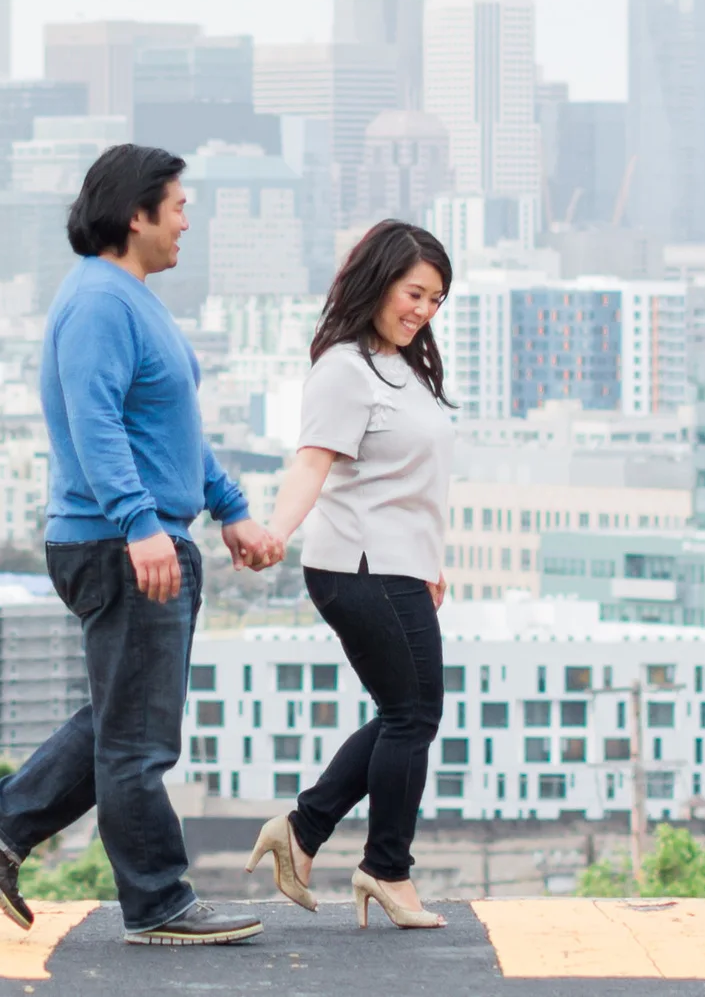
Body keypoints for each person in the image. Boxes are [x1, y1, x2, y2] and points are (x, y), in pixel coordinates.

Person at [0, 144, 284, 948]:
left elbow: (171, 428)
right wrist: (139, 524)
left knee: (120, 719)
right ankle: (158, 899)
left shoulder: (131, 299)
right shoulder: (100, 302)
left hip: (140, 537)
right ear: (136, 214)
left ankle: (1, 823)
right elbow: (95, 425)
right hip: (118, 543)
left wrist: (229, 507)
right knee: (138, 739)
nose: (186, 220)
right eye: (177, 206)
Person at [245, 220, 456, 930]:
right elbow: (313, 461)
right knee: (413, 715)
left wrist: (430, 560)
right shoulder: (344, 368)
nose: (423, 310)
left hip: (397, 565)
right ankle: (386, 868)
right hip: (360, 566)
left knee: (407, 712)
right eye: (414, 292)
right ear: (379, 280)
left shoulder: (401, 364)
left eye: (435, 299)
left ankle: (302, 831)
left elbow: (409, 480)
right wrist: (275, 531)